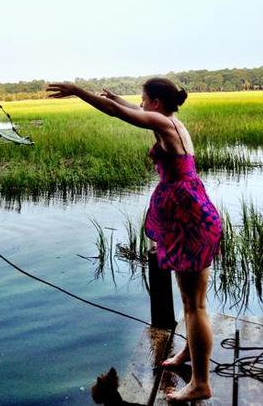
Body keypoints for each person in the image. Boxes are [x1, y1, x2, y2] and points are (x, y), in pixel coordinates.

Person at [47, 78, 223, 403]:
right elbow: (130, 110)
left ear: (155, 102)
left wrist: (77, 91)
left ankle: (200, 383)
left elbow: (118, 113)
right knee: (191, 300)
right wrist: (120, 98)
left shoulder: (160, 122)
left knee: (194, 304)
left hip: (189, 220)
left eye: (143, 100)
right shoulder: (171, 121)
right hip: (191, 213)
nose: (139, 104)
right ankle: (189, 352)